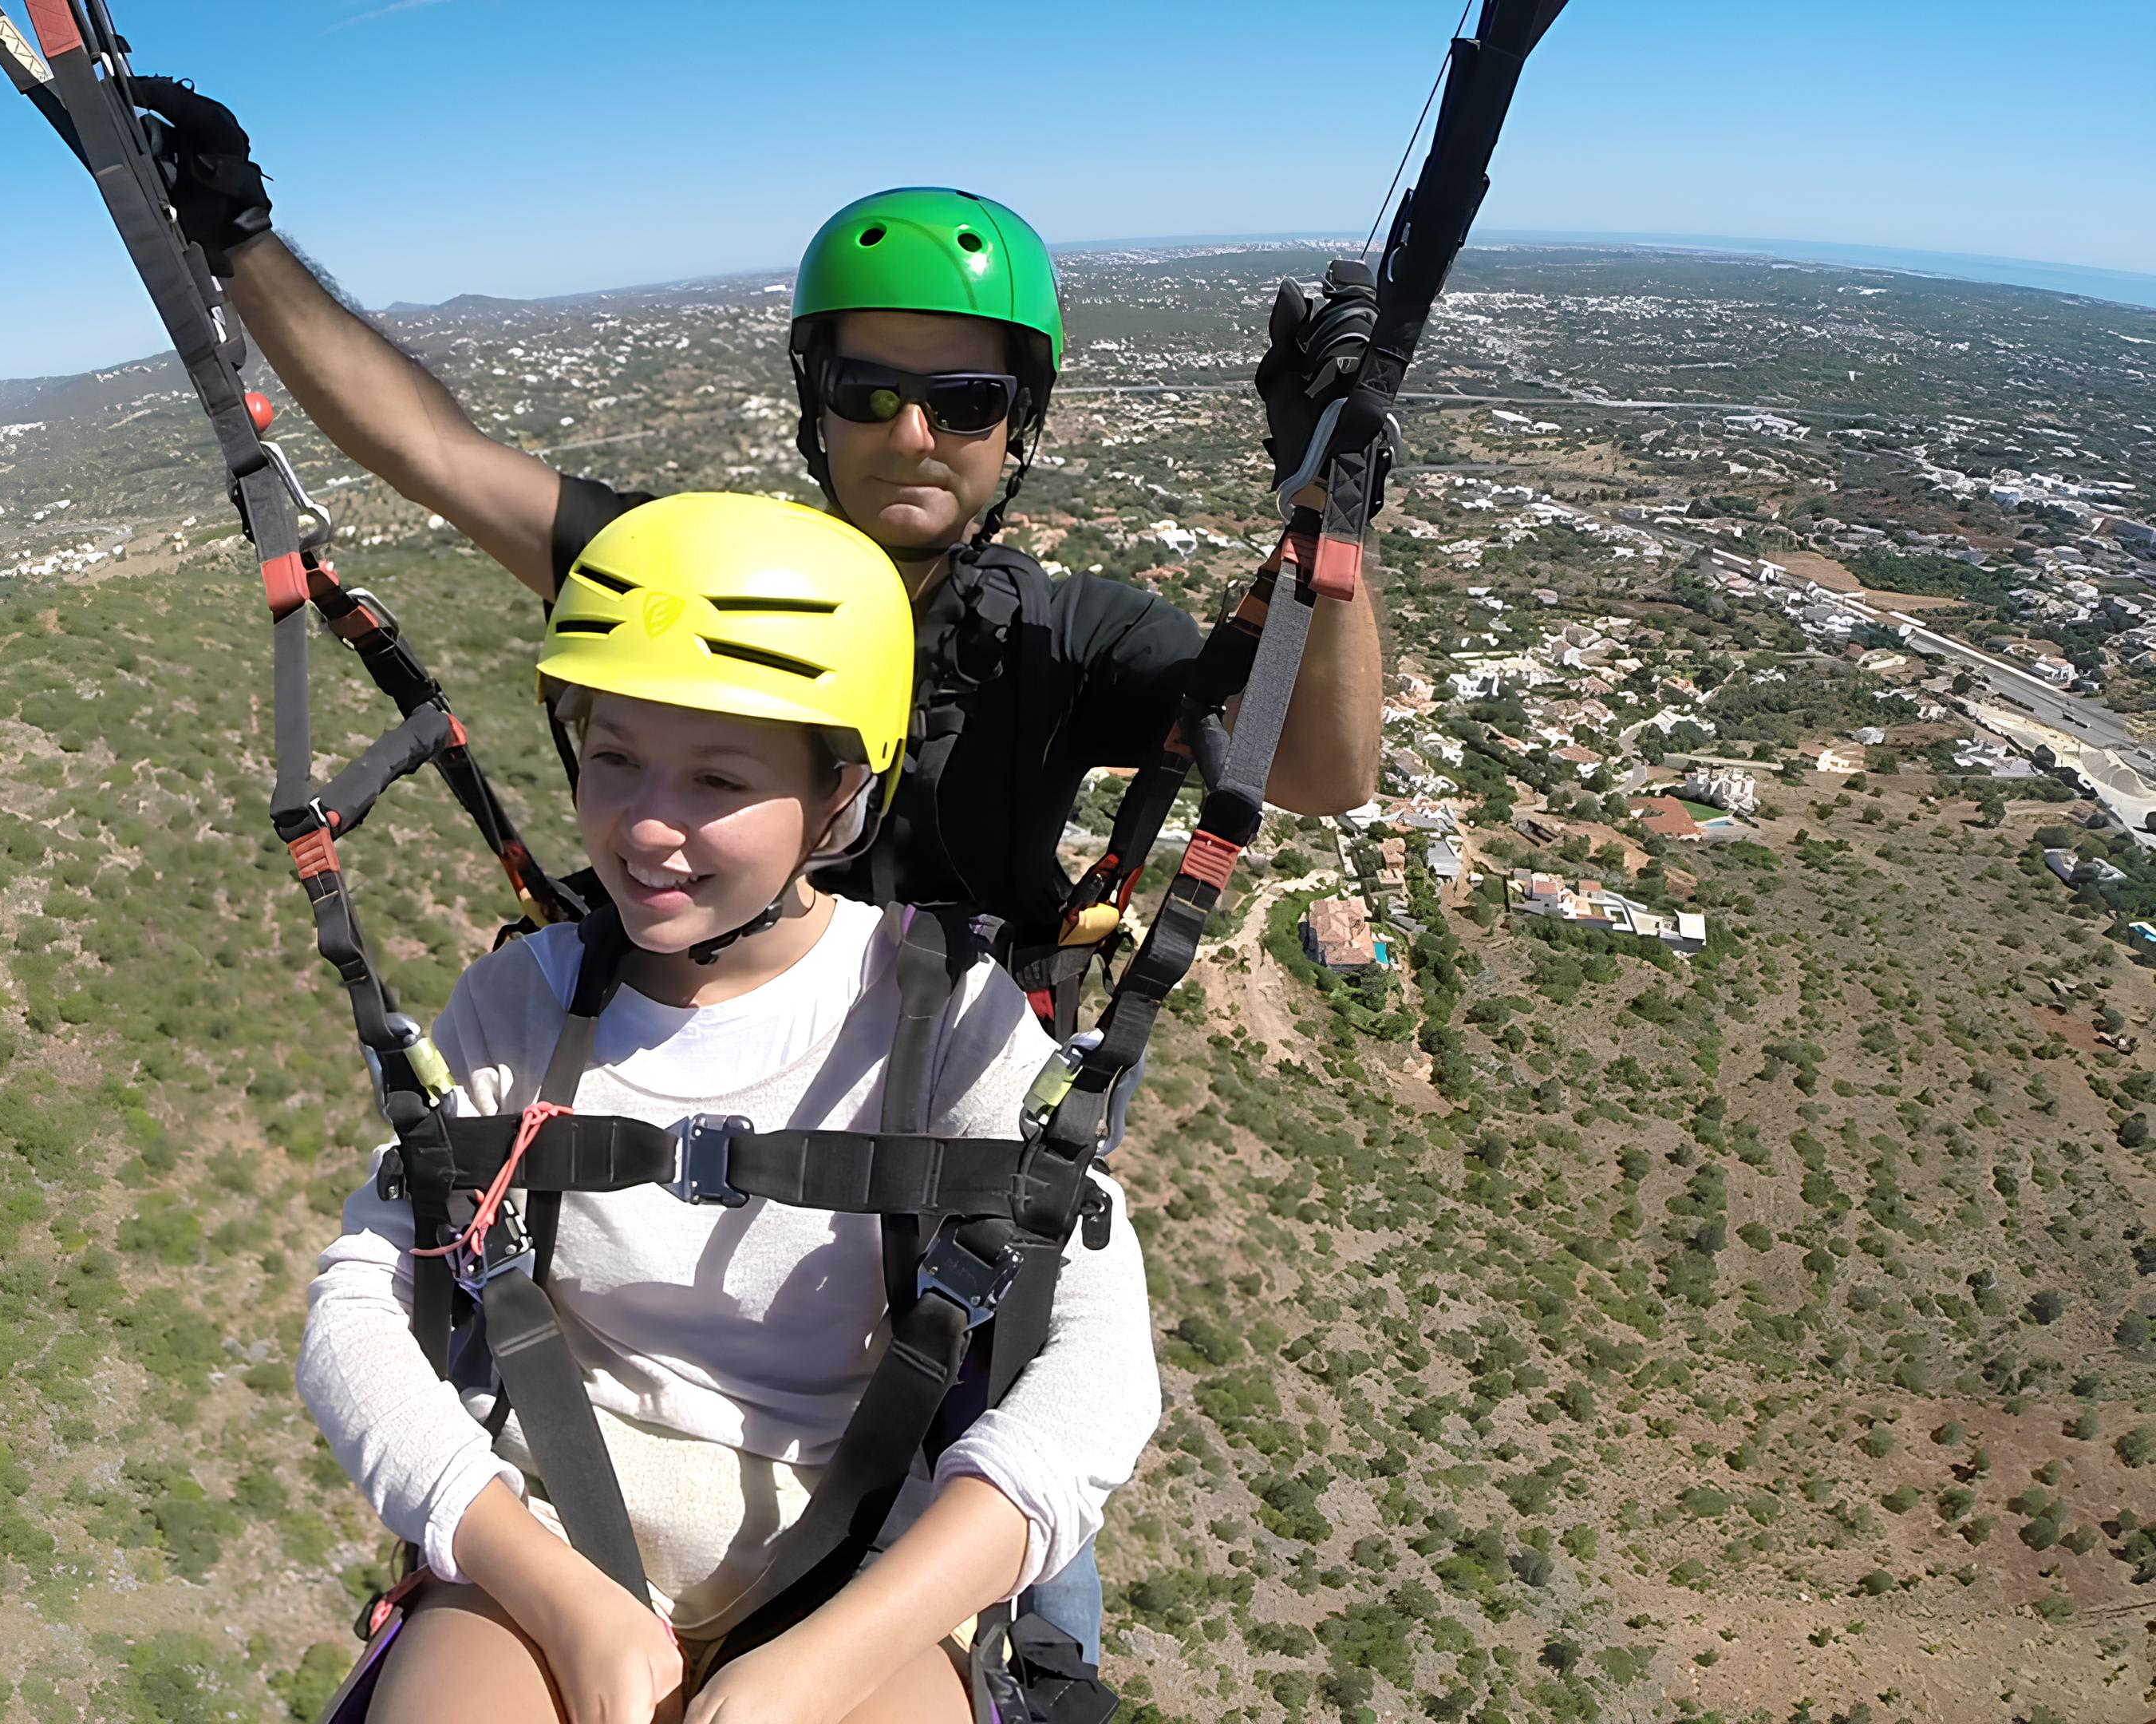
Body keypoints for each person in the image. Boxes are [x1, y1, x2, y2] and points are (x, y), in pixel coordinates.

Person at [137, 82, 1383, 970]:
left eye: (964, 401)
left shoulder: (1067, 639)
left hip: (955, 1112)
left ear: (1018, 429)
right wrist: (240, 242)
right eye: (868, 391)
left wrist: (1332, 510)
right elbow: (434, 455)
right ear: (815, 407)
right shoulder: (687, 578)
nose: (911, 434)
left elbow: (1319, 773)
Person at [297, 492, 1155, 1724]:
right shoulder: (517, 1009)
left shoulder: (945, 1022)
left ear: (839, 796)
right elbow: (356, 1312)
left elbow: (1100, 1363)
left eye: (718, 777)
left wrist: (827, 1660)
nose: (648, 825)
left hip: (855, 1567)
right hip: (555, 1539)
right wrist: (557, 1597)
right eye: (614, 756)